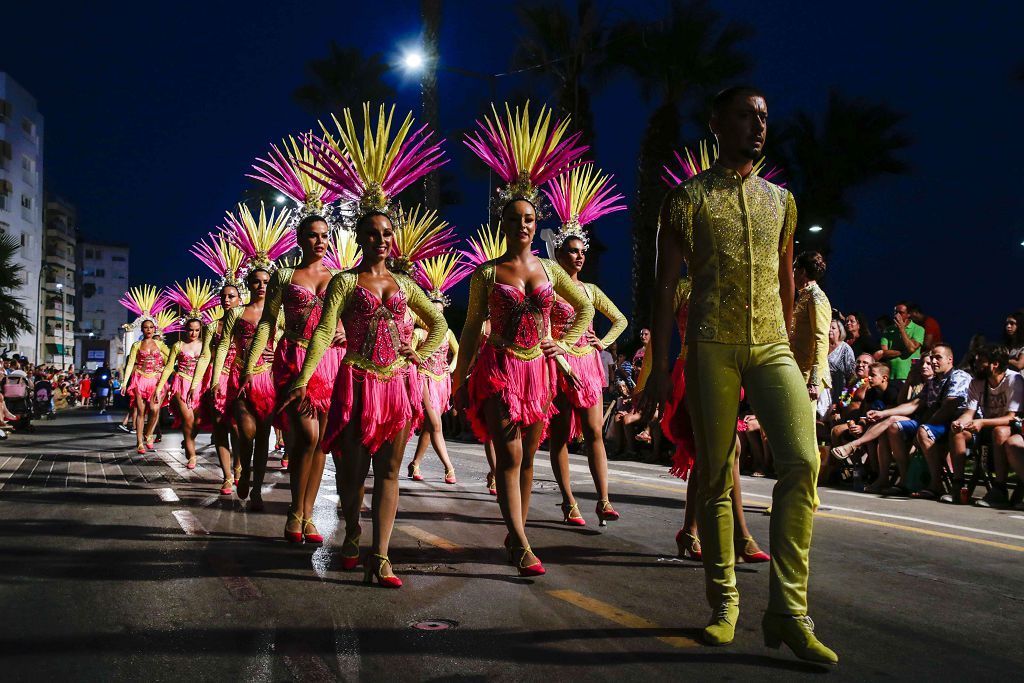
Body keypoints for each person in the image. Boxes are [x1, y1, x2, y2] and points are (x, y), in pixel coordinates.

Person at [641, 87, 836, 663]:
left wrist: (799, 357)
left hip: (771, 344)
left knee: (803, 461)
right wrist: (656, 372)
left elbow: (784, 283)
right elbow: (662, 289)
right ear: (715, 122)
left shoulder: (782, 200)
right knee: (715, 471)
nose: (759, 125)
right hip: (709, 344)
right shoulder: (684, 200)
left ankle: (788, 611)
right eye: (746, 115)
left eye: (765, 117)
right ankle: (725, 603)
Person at [283, 102, 449, 586]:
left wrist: (416, 353)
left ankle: (381, 556)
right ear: (359, 238)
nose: (380, 239)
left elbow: (437, 323)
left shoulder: (404, 284)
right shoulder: (343, 283)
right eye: (371, 233)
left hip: (396, 385)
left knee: (392, 473)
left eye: (386, 234)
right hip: (354, 383)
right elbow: (319, 334)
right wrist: (305, 375)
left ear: (393, 240)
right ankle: (353, 530)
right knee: (354, 475)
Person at [455, 101, 592, 578]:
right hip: (500, 368)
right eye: (515, 219)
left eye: (530, 220)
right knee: (510, 454)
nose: (523, 226)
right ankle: (523, 539)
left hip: (541, 370)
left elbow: (588, 306)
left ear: (537, 225)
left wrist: (565, 341)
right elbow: (471, 328)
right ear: (503, 224)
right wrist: (458, 377)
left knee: (529, 456)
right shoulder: (486, 273)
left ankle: (517, 535)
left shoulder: (551, 268)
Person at [544, 163, 627, 526]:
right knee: (560, 435)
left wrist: (601, 342)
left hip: (588, 365)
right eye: (572, 251)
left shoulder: (591, 291)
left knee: (594, 431)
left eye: (582, 251)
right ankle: (568, 500)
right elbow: (542, 326)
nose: (579, 256)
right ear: (559, 254)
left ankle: (604, 500)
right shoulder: (548, 287)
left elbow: (621, 320)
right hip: (560, 366)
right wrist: (558, 351)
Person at [212, 202, 295, 510]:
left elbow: (292, 338)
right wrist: (217, 380)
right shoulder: (236, 314)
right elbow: (223, 347)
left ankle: (256, 487)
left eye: (265, 282)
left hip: (271, 381)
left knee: (264, 438)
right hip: (242, 378)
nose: (261, 286)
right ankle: (243, 471)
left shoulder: (281, 313)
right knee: (245, 432)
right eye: (256, 281)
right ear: (248, 284)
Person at [191, 233, 248, 493]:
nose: (226, 300)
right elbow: (205, 356)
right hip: (217, 380)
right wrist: (196, 383)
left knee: (239, 430)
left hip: (239, 379)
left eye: (231, 297)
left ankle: (239, 467)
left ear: (240, 299)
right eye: (223, 297)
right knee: (221, 429)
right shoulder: (213, 327)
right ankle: (227, 475)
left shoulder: (247, 324)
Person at [407, 253, 469, 485]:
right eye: (433, 311)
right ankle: (449, 467)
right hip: (423, 378)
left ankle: (415, 464)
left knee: (429, 426)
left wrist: (450, 368)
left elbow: (458, 352)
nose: (437, 314)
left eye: (440, 311)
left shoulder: (447, 333)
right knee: (435, 423)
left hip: (442, 380)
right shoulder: (418, 333)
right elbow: (410, 358)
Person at [946, 345, 1023, 507]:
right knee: (959, 433)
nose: (976, 364)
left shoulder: (1013, 380)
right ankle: (958, 485)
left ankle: (999, 489)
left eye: (981, 361)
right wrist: (961, 422)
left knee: (1000, 432)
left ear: (994, 364)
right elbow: (969, 412)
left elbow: (1012, 418)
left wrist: (982, 422)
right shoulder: (977, 383)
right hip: (985, 427)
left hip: (1011, 428)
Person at [154, 315, 208, 470]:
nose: (193, 333)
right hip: (181, 383)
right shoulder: (178, 345)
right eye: (190, 330)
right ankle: (192, 455)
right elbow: (169, 367)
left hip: (200, 385)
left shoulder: (206, 345)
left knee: (197, 422)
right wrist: (159, 388)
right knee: (188, 420)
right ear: (185, 330)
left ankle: (188, 439)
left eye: (197, 330)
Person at [790, 251, 832, 417]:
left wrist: (814, 380)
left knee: (802, 427)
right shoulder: (804, 296)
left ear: (802, 272)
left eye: (794, 269)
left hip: (808, 374)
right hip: (797, 369)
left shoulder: (816, 297)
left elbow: (821, 339)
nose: (792, 274)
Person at [122, 318, 169, 454]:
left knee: (155, 409)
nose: (148, 330)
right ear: (142, 330)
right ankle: (139, 443)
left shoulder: (160, 345)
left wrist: (163, 367)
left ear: (154, 329)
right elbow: (130, 364)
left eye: (151, 327)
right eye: (146, 327)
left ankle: (148, 434)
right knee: (141, 412)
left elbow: (172, 357)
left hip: (155, 380)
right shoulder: (136, 345)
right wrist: (125, 383)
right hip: (140, 379)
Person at [875, 302, 924, 392]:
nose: (897, 315)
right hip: (891, 376)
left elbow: (911, 348)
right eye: (895, 312)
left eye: (901, 312)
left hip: (909, 376)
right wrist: (902, 352)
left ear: (908, 314)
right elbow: (884, 352)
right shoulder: (888, 330)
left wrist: (902, 329)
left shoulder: (918, 329)